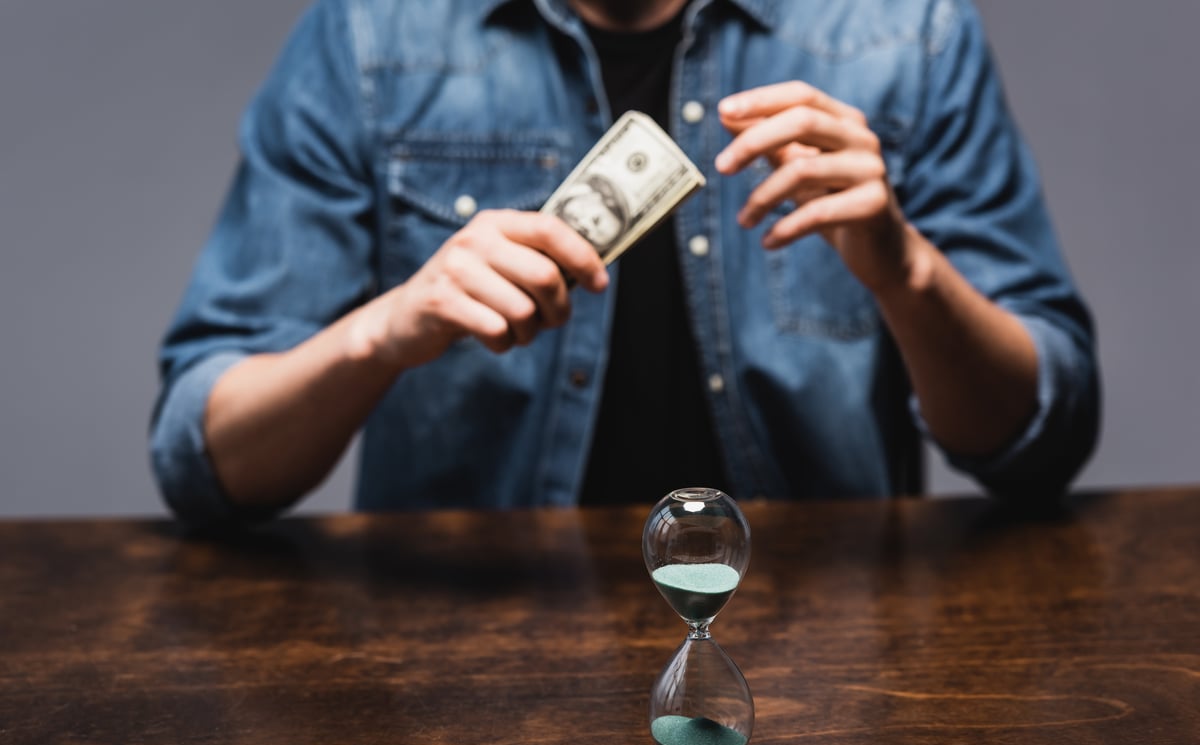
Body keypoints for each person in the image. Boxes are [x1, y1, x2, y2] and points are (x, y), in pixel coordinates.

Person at [150, 0, 1100, 522]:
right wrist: (382, 333)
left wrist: (908, 271)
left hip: (829, 679)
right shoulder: (367, 35)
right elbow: (204, 462)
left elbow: (1043, 439)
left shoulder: (909, 33)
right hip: (462, 674)